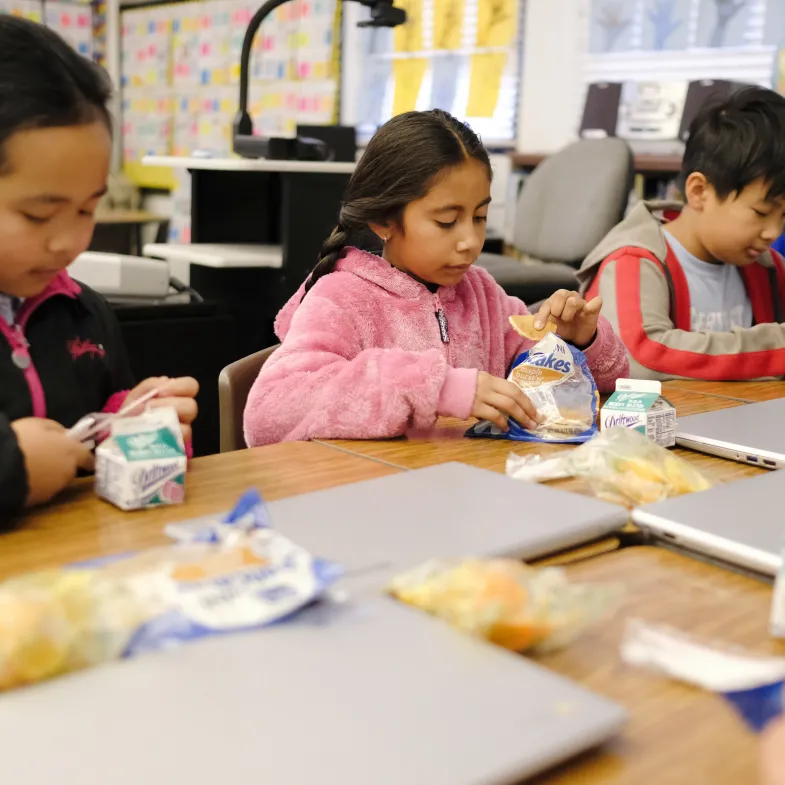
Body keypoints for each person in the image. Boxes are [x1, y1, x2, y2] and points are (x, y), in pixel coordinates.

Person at [243, 110, 629, 446]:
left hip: (469, 495)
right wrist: (436, 387)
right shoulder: (340, 299)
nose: (470, 241)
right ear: (383, 220)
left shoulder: (482, 295)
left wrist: (576, 342)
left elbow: (596, 385)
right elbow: (268, 414)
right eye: (447, 221)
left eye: (480, 217)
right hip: (374, 501)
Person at [0, 17, 198, 524]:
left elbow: (85, 429)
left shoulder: (82, 311)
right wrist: (13, 468)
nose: (69, 242)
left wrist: (128, 424)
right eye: (38, 215)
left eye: (87, 210)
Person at [578, 86, 785, 381]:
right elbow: (637, 358)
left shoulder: (767, 268)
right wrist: (775, 349)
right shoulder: (633, 263)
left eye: (784, 217)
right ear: (699, 191)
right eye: (762, 212)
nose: (773, 232)